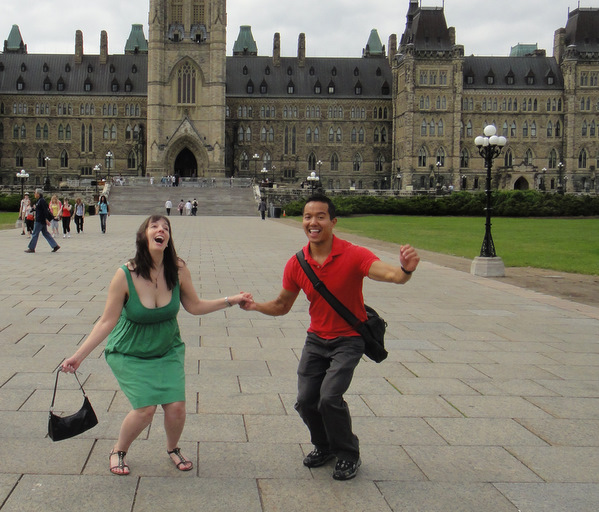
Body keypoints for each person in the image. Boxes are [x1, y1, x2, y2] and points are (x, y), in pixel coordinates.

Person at [240, 194, 420, 481]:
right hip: (316, 340)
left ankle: (348, 454)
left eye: (320, 216)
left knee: (329, 398)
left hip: (349, 339)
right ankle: (324, 446)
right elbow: (282, 305)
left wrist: (405, 269)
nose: (313, 222)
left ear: (333, 222)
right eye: (308, 216)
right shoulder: (297, 263)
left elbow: (392, 275)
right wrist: (254, 306)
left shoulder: (354, 254)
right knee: (305, 400)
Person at [60, 215, 252, 476]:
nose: (161, 230)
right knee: (145, 409)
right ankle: (118, 450)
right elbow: (106, 321)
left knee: (176, 407)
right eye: (154, 226)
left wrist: (232, 299)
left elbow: (194, 306)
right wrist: (78, 356)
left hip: (167, 347)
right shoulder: (124, 274)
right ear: (144, 236)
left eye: (166, 228)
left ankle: (173, 448)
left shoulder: (178, 269)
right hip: (129, 350)